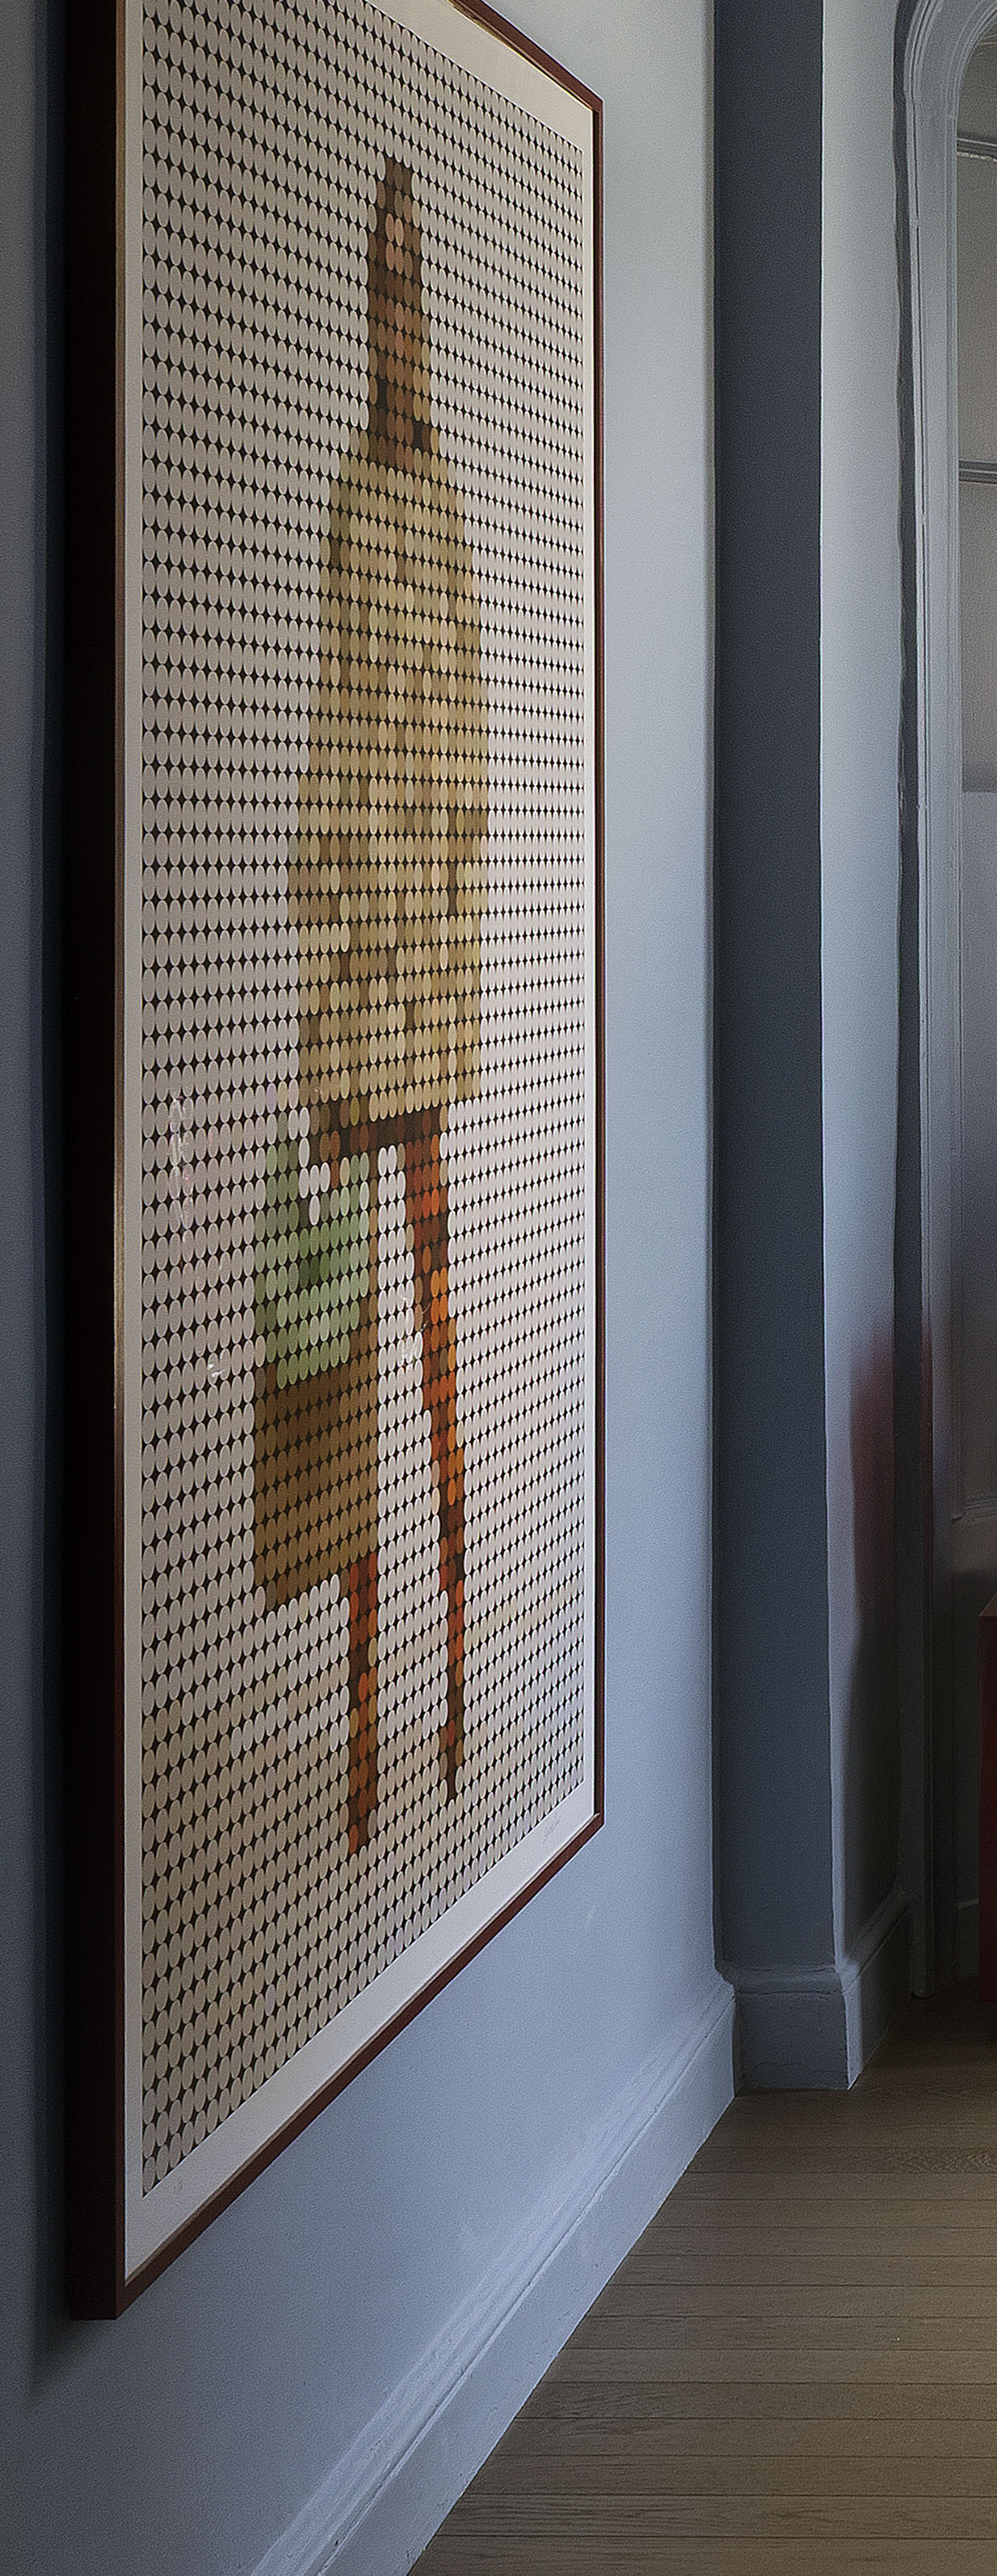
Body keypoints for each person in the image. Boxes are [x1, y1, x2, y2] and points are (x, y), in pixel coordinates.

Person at [289, 159, 486, 1847]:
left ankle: (450, 1693)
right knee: (362, 1364)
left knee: (431, 1359)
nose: (402, 333)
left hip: (413, 994)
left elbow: (458, 783)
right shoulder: (371, 510)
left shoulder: (440, 525)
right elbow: (344, 781)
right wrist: (335, 1044)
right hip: (365, 1008)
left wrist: (449, 1005)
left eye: (414, 301)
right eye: (392, 300)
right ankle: (372, 1724)